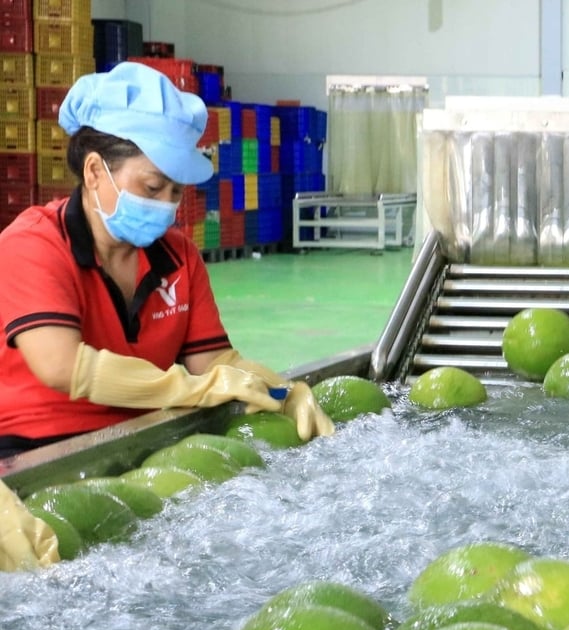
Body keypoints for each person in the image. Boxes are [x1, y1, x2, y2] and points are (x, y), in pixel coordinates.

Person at [0, 61, 333, 464]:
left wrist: (283, 391)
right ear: (93, 172)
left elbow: (215, 363)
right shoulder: (34, 244)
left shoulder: (177, 256)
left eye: (176, 192)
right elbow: (63, 366)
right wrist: (190, 389)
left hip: (146, 439)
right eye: (153, 187)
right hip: (36, 451)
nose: (167, 207)